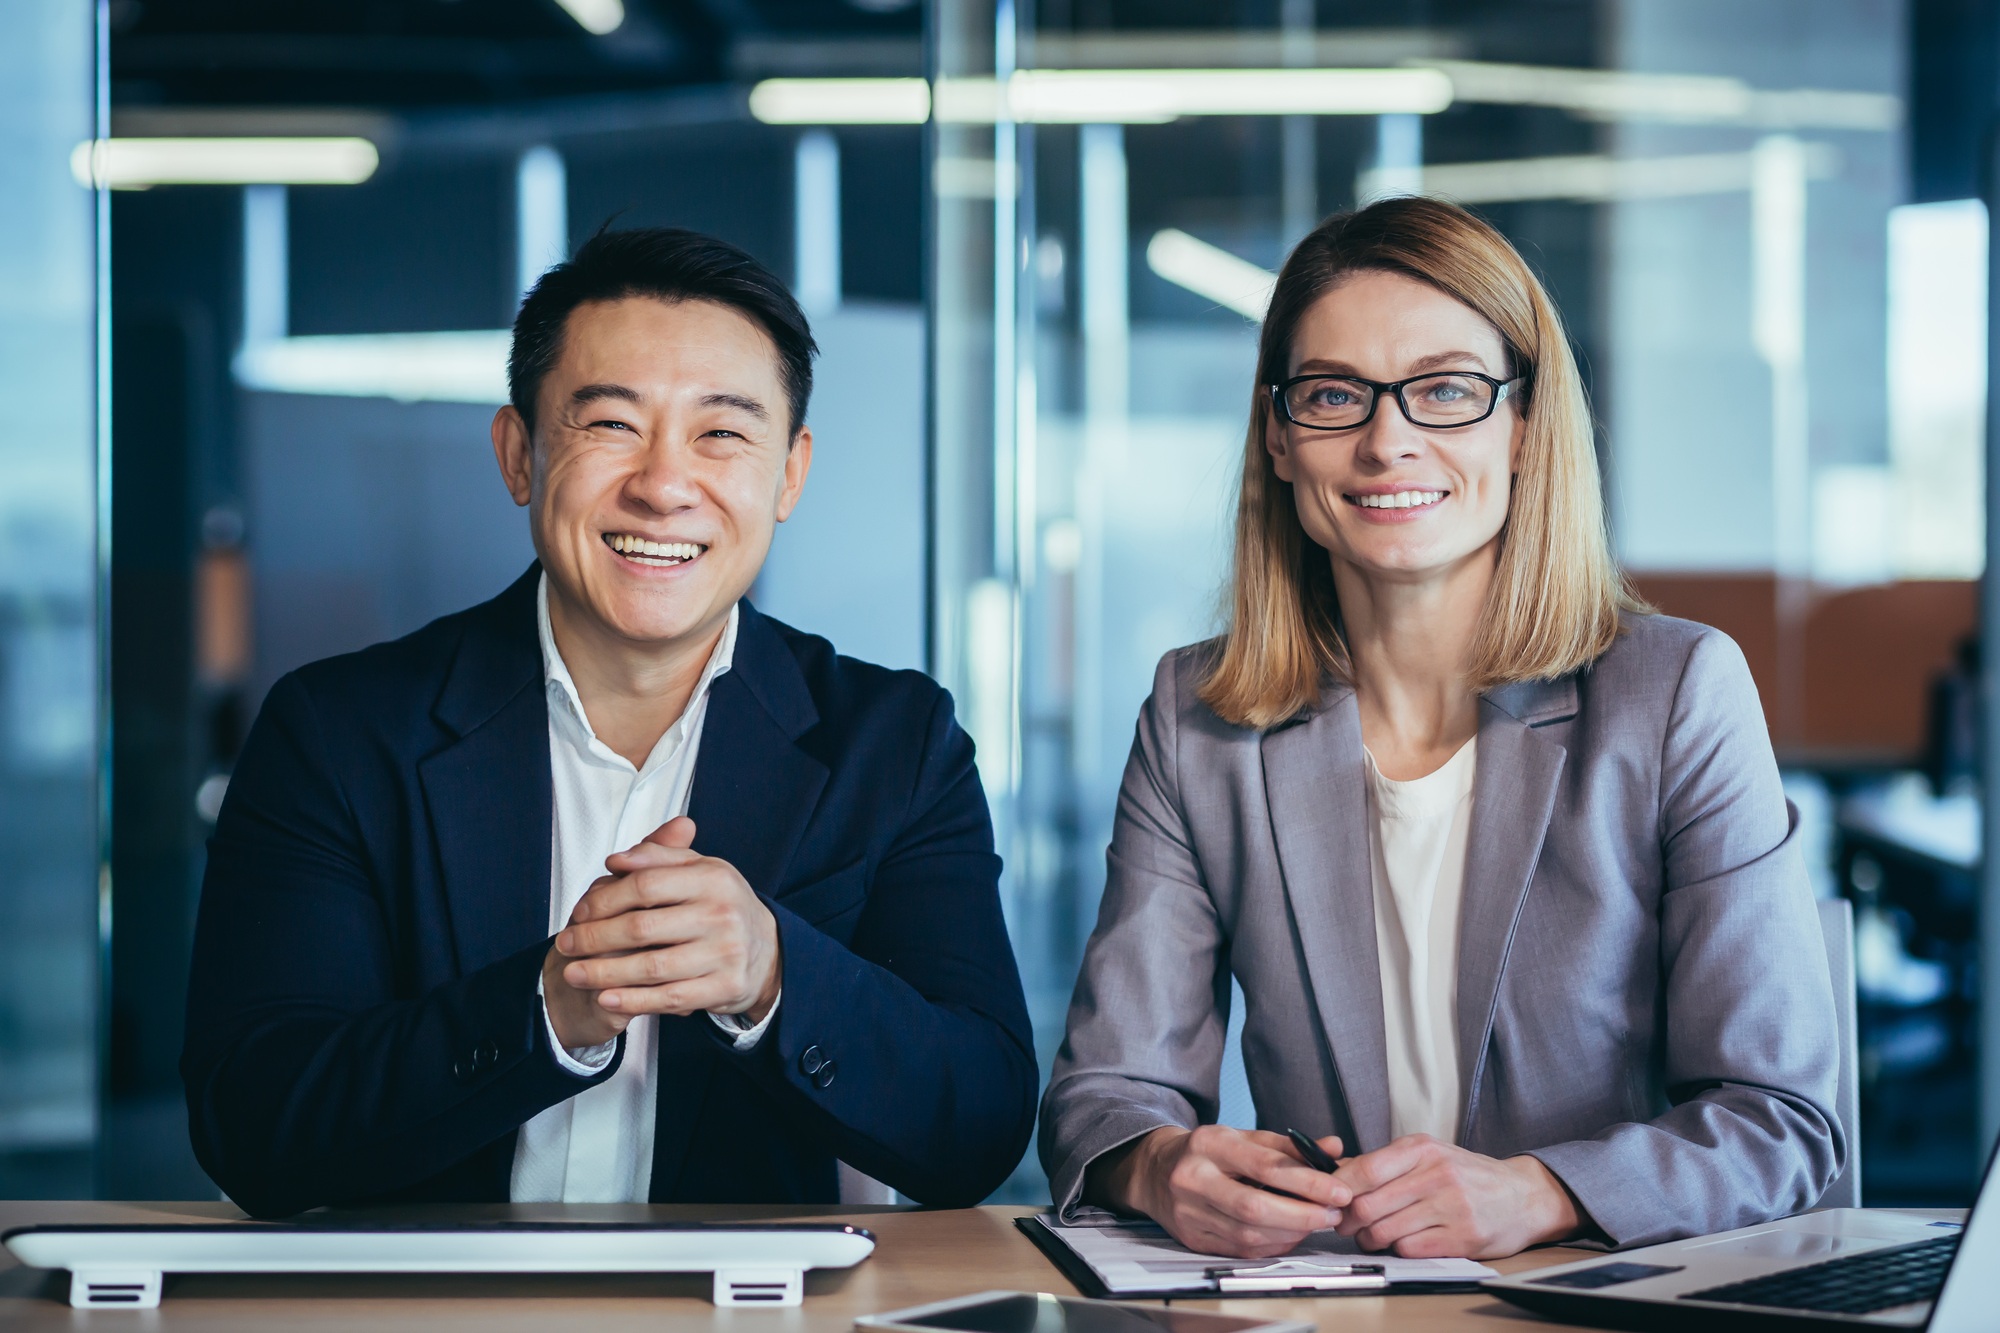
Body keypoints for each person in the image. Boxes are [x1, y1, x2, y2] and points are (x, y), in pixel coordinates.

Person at [1039, 196, 1842, 1261]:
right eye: (1331, 395)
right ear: (1278, 438)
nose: (1385, 441)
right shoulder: (1198, 721)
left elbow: (1778, 1119)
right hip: (1332, 1307)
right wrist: (1157, 1164)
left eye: (1446, 392)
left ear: (1522, 427)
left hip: (1599, 1304)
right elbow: (1106, 1093)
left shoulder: (1674, 692)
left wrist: (1542, 1192)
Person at [182, 227, 1036, 1217]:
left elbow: (978, 1125)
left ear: (789, 474)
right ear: (518, 454)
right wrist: (548, 1008)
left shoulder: (891, 744)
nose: (664, 484)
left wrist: (771, 976)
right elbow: (250, 1122)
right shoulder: (337, 735)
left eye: (721, 432)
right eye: (611, 425)